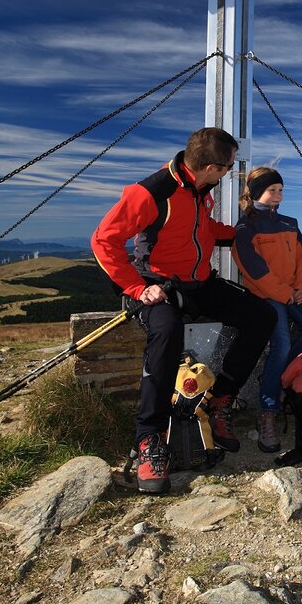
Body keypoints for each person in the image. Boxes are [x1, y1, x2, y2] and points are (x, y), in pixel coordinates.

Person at [92, 127, 275, 494]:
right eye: (228, 167)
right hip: (157, 284)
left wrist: (239, 233)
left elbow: (200, 229)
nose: (229, 173)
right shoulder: (150, 192)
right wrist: (137, 288)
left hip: (199, 282)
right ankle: (149, 438)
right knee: (166, 332)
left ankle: (219, 401)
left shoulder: (199, 189)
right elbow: (103, 240)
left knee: (261, 316)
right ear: (211, 168)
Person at [232, 166, 302, 453]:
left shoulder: (289, 223)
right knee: (282, 341)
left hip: (295, 291)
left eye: (281, 190)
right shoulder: (246, 227)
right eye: (272, 190)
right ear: (256, 192)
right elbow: (255, 271)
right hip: (267, 295)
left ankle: (280, 376)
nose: (278, 195)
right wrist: (286, 294)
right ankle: (268, 410)